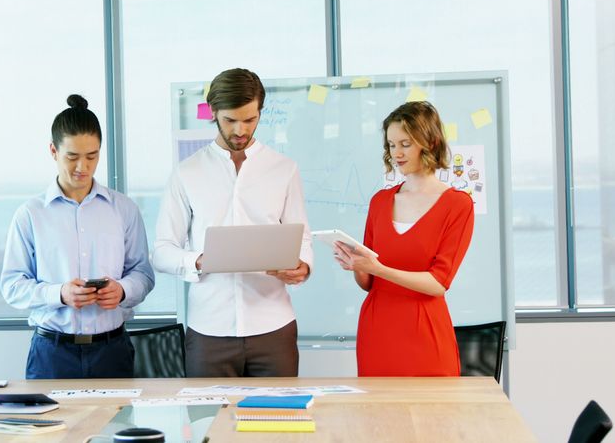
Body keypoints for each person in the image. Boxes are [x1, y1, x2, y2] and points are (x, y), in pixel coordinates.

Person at [153, 68, 313, 377]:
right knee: (208, 425)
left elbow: (302, 236)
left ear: (259, 113)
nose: (241, 130)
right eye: (230, 120)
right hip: (209, 330)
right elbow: (162, 251)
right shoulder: (188, 172)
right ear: (213, 112)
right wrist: (199, 261)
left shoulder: (284, 169)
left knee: (277, 423)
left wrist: (302, 266)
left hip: (274, 327)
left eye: (250, 120)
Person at [1, 94, 155, 379]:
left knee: (116, 425)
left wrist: (122, 290)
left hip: (112, 350)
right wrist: (59, 293)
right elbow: (12, 285)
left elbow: (143, 275)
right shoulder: (31, 214)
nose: (82, 167)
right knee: (50, 425)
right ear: (53, 151)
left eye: (91, 156)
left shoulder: (123, 209)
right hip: (52, 353)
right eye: (72, 157)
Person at [333, 101, 474, 376]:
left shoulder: (457, 205)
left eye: (405, 144)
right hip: (378, 329)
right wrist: (357, 265)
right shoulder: (380, 202)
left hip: (425, 332)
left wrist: (378, 268)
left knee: (432, 416)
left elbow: (438, 284)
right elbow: (368, 283)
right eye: (391, 145)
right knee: (377, 416)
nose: (396, 153)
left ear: (430, 142)